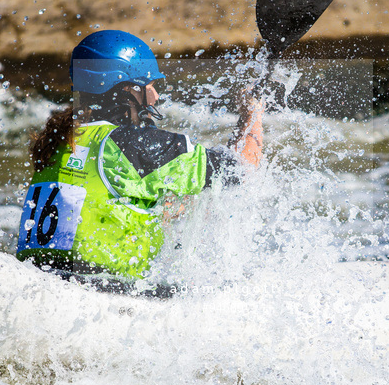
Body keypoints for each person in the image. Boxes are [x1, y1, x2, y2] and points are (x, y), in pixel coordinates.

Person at [16, 29, 263, 291]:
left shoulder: (58, 139)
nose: (156, 96)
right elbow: (241, 166)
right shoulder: (136, 145)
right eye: (150, 86)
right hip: (100, 296)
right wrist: (253, 112)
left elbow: (103, 206)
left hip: (39, 285)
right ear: (127, 90)